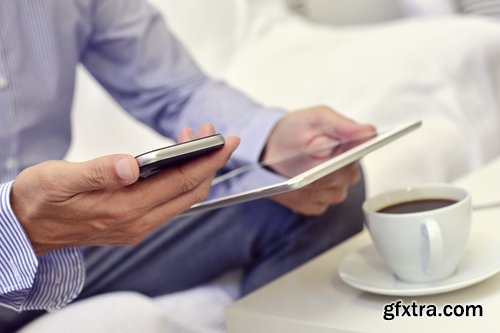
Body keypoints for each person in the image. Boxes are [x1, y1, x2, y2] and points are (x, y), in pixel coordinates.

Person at [0, 0, 374, 331]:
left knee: (319, 182)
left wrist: (273, 137)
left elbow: (175, 89)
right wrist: (15, 225)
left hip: (62, 245)